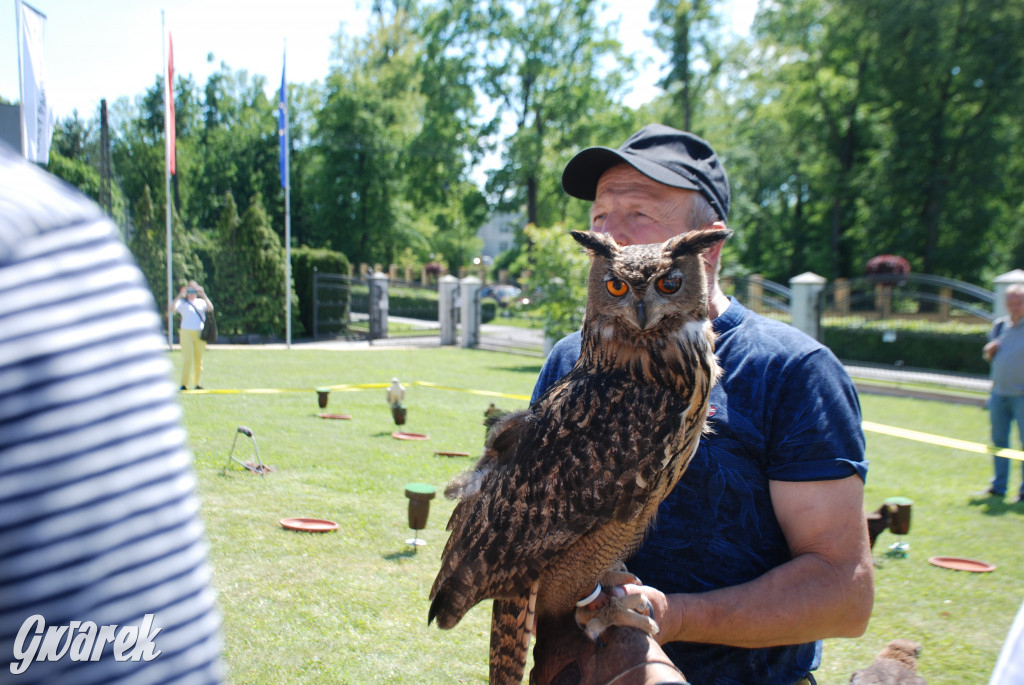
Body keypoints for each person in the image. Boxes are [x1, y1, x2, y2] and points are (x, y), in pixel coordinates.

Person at [529, 124, 873, 685]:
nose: (612, 236)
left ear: (708, 244)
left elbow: (843, 592)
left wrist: (674, 617)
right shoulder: (571, 360)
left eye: (637, 214)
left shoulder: (789, 371)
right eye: (600, 218)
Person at [0, 143, 220, 681]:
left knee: (194, 365)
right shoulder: (47, 236)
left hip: (194, 340)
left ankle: (193, 384)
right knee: (187, 367)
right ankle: (189, 385)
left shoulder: (36, 242)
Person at [979, 283, 1024, 501]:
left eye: (1019, 302)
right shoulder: (999, 327)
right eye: (1011, 302)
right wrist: (989, 352)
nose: (1014, 307)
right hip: (999, 394)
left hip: (1022, 396)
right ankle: (999, 486)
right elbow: (992, 360)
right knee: (998, 441)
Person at [171, 280, 214, 390]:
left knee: (199, 360)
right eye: (189, 290)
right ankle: (184, 384)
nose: (191, 293)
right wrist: (180, 295)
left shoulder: (200, 302)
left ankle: (197, 384)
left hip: (199, 333)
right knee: (188, 360)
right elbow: (172, 309)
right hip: (186, 332)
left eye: (194, 290)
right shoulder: (183, 303)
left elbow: (210, 308)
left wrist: (203, 295)